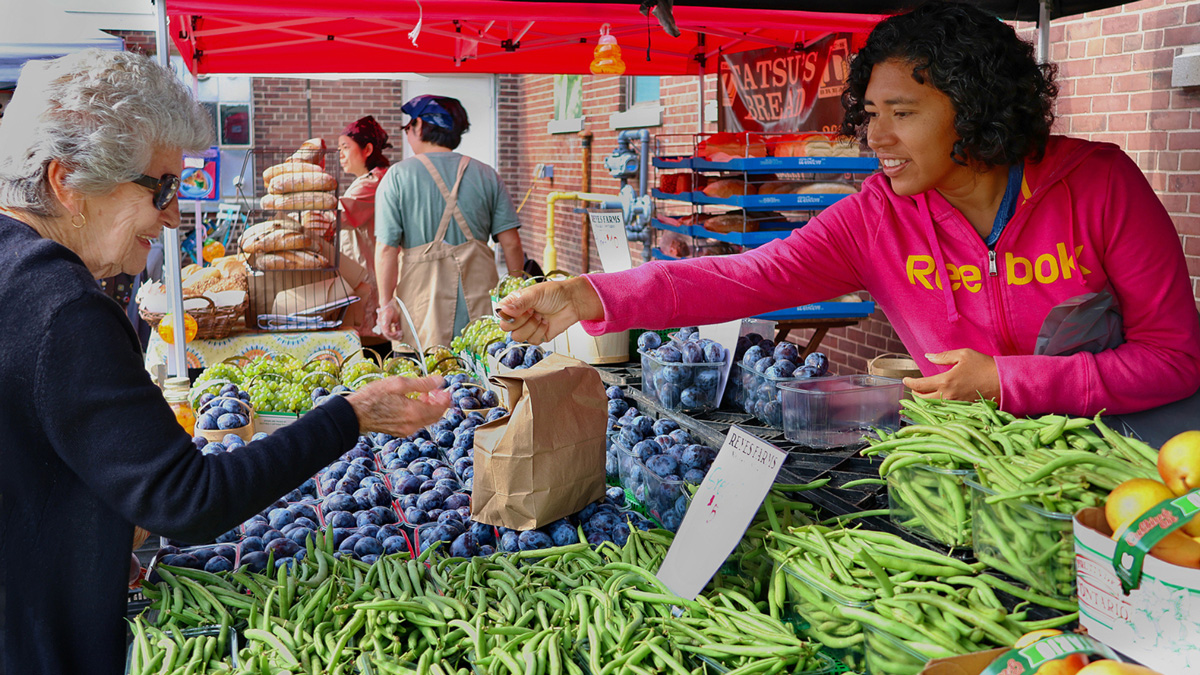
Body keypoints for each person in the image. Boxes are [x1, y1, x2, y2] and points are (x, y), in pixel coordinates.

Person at [498, 1, 1200, 444]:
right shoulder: (876, 218)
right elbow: (746, 276)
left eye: (903, 114)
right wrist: (589, 295)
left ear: (977, 106)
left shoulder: (1100, 184)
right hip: (980, 466)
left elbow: (1174, 358)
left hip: (1129, 460)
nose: (877, 138)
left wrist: (1012, 381)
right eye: (869, 115)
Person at [0, 49, 450, 675]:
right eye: (160, 187)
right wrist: (351, 415)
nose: (173, 216)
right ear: (66, 181)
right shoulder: (62, 308)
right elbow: (189, 502)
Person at [374, 94, 525, 351]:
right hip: (480, 304)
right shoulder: (488, 175)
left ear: (419, 125)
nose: (408, 134)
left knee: (425, 381)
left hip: (420, 307)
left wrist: (386, 304)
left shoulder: (397, 177)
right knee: (479, 379)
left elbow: (387, 249)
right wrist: (518, 299)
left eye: (408, 127)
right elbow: (511, 244)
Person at [336, 115, 391, 354]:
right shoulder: (368, 179)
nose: (341, 155)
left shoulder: (373, 181)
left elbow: (337, 216)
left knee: (371, 349)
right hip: (366, 275)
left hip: (370, 276)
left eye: (345, 148)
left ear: (367, 149)